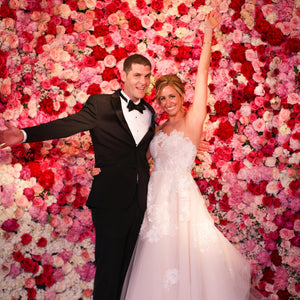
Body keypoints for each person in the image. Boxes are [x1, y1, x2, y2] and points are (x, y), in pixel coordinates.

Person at [0, 54, 157, 300]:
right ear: (123, 75)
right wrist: (23, 134)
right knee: (109, 268)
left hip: (139, 201)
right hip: (110, 200)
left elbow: (143, 152)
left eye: (147, 76)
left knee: (128, 269)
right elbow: (67, 124)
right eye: (137, 75)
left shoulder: (149, 111)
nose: (143, 81)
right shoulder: (101, 104)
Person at [120, 10, 252, 300]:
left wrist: (208, 34)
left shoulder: (193, 121)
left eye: (172, 95)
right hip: (155, 198)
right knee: (155, 256)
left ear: (182, 96)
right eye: (163, 97)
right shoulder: (159, 126)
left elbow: (202, 74)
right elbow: (146, 157)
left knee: (186, 256)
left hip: (181, 197)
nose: (167, 102)